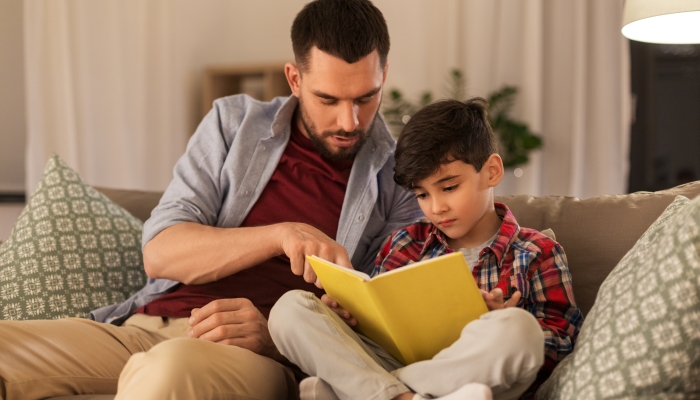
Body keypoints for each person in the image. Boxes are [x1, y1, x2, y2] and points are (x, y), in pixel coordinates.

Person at [0, 1, 422, 399]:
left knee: (170, 369)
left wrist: (277, 338)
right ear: (295, 79)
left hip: (254, 354)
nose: (349, 121)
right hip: (146, 325)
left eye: (366, 98)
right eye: (328, 99)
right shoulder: (233, 124)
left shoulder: (404, 177)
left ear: (384, 75)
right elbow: (161, 253)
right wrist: (280, 236)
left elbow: (388, 331)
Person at [268, 98, 584, 400]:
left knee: (518, 331)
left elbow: (559, 347)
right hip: (393, 362)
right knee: (289, 310)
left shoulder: (537, 252)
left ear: (491, 171)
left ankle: (364, 393)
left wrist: (499, 318)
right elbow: (376, 335)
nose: (436, 207)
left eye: (449, 188)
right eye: (422, 195)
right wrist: (351, 319)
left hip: (474, 372)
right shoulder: (405, 243)